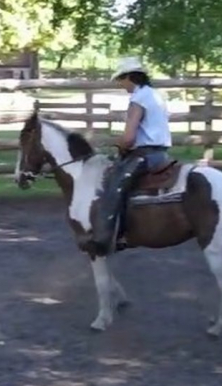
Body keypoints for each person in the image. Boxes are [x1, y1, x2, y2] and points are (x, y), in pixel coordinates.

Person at [90, 57, 172, 256]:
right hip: (161, 153)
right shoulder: (155, 95)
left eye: (121, 79)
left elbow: (128, 138)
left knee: (113, 186)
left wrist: (114, 143)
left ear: (130, 77)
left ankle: (107, 237)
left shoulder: (138, 99)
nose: (120, 84)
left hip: (145, 155)